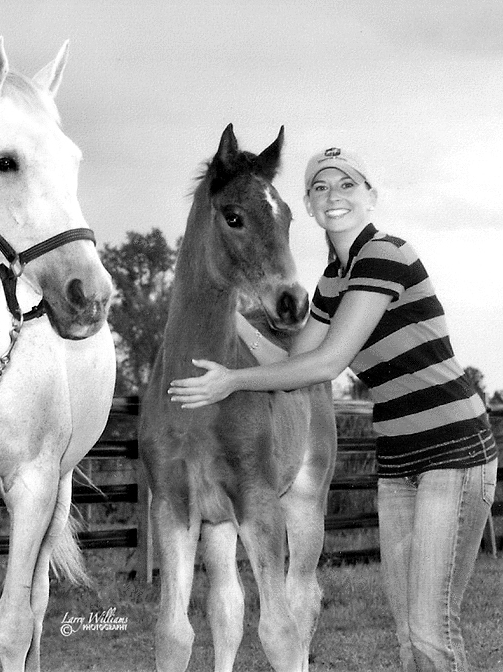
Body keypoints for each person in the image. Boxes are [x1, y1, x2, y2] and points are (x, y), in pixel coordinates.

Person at [169, 147, 498, 672]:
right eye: (321, 186)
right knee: (408, 634)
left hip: (453, 454)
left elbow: (326, 364)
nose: (334, 196)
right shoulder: (331, 282)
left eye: (347, 185)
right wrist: (220, 318)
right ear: (307, 203)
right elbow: (291, 361)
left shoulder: (386, 255)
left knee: (432, 631)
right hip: (399, 461)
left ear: (371, 197)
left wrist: (232, 380)